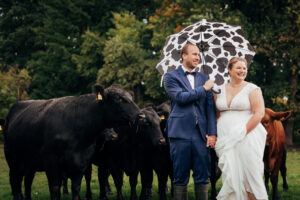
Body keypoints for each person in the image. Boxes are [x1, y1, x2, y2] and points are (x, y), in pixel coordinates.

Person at [163, 43, 217, 200]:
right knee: (180, 176)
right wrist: (204, 89)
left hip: (201, 135)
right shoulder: (170, 77)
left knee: (202, 175)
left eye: (198, 54)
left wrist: (212, 133)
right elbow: (180, 98)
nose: (197, 57)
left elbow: (210, 109)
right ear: (183, 55)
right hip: (179, 133)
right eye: (194, 54)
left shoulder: (204, 78)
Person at [214, 57, 268, 200]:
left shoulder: (252, 89)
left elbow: (259, 113)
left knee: (250, 176)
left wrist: (241, 132)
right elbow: (216, 114)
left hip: (248, 136)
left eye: (244, 68)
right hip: (225, 139)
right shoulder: (218, 90)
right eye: (238, 68)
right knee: (231, 176)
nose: (242, 71)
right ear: (229, 70)